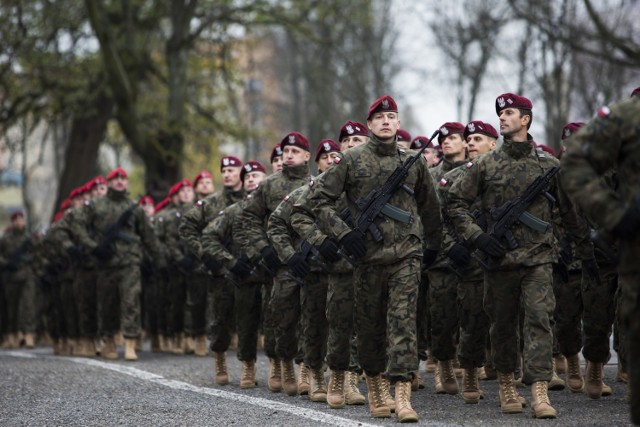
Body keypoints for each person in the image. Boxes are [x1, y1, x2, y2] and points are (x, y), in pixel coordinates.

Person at [446, 93, 590, 419]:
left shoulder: (549, 166)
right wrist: (478, 237)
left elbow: (570, 215)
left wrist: (583, 254)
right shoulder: (485, 165)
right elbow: (454, 203)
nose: (503, 118)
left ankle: (539, 391)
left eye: (509, 113)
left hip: (538, 258)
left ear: (525, 119)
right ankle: (507, 385)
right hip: (499, 262)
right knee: (502, 325)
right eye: (500, 113)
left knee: (540, 320)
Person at [307, 95, 443, 422]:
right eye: (379, 117)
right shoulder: (351, 160)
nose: (385, 121)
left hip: (406, 256)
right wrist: (343, 233)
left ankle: (403, 395)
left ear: (398, 123)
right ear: (369, 124)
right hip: (366, 257)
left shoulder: (413, 161)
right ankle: (376, 387)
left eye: (391, 116)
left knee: (402, 321)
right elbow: (318, 201)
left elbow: (430, 208)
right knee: (369, 328)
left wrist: (433, 246)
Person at [560, 91, 640, 424]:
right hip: (614, 247)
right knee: (598, 315)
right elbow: (575, 168)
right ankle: (595, 364)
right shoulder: (627, 118)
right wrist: (616, 218)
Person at [291, 124, 369, 409]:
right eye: (345, 141)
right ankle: (317, 374)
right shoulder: (325, 182)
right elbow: (297, 215)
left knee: (362, 326)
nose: (350, 144)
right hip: (328, 265)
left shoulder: (377, 178)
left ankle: (351, 378)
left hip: (367, 263)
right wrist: (320, 240)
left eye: (357, 139)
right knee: (324, 323)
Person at [235, 132, 312, 395]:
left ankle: (306, 369)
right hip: (281, 263)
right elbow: (248, 219)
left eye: (294, 151)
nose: (288, 155)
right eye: (284, 151)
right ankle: (285, 364)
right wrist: (263, 249)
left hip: (312, 261)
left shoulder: (318, 183)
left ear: (306, 156)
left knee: (311, 317)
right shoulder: (269, 185)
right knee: (284, 316)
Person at [67, 167, 166, 361]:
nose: (120, 181)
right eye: (116, 178)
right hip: (105, 263)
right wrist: (93, 247)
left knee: (131, 301)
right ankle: (109, 340)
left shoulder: (134, 207)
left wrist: (160, 261)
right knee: (107, 304)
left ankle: (130, 343)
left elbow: (149, 236)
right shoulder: (95, 205)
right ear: (109, 183)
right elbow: (76, 225)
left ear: (127, 183)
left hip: (130, 262)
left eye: (123, 178)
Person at [437, 120, 497, 403]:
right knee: (458, 317)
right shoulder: (454, 178)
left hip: (499, 257)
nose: (470, 144)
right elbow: (436, 219)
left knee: (502, 320)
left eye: (476, 139)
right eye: (469, 139)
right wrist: (451, 247)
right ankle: (464, 371)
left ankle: (507, 374)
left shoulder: (501, 173)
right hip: (459, 259)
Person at [200, 160, 268, 388]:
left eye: (256, 175)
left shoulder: (274, 207)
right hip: (242, 275)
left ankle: (280, 367)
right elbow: (208, 237)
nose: (251, 179)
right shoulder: (233, 211)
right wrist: (229, 262)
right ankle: (237, 364)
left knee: (278, 324)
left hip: (271, 274)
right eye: (247, 176)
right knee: (239, 323)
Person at [426, 121, 468, 396]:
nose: (447, 142)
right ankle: (444, 365)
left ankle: (473, 368)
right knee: (441, 316)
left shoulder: (479, 171)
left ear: (465, 142)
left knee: (474, 316)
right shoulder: (430, 176)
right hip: (442, 258)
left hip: (476, 257)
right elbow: (429, 217)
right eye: (443, 139)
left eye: (453, 137)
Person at [0, 212, 37, 349]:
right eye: (16, 220)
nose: (19, 222)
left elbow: (37, 252)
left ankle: (28, 334)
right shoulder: (6, 239)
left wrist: (28, 260)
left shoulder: (29, 238)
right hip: (11, 276)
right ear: (12, 222)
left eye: (21, 219)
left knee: (28, 305)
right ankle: (12, 334)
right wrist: (7, 263)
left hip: (26, 274)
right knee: (12, 308)